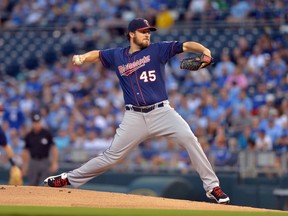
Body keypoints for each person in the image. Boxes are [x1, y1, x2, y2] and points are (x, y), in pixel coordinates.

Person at [44, 18, 230, 204]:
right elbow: (98, 54)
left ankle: (213, 187)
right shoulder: (118, 55)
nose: (147, 34)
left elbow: (186, 46)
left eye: (149, 31)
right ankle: (68, 178)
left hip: (162, 112)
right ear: (132, 34)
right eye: (143, 31)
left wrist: (205, 51)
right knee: (111, 156)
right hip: (134, 116)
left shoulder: (157, 50)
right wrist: (83, 57)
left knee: (189, 139)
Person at [22, 111, 58, 186]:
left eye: (38, 122)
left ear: (41, 122)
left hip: (45, 161)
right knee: (32, 185)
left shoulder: (47, 133)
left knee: (46, 184)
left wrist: (55, 162)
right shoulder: (29, 135)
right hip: (33, 162)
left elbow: (53, 148)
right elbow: (25, 151)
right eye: (35, 122)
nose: (36, 124)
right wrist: (24, 165)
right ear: (32, 123)